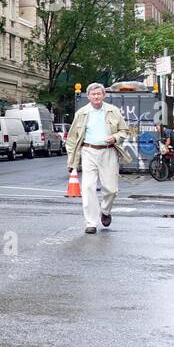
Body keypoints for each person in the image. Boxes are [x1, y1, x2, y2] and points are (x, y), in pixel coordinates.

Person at [65, 82, 129, 234]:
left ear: (104, 95)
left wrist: (115, 137)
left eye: (99, 94)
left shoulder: (113, 111)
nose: (96, 97)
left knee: (111, 189)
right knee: (88, 188)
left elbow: (124, 131)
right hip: (88, 151)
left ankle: (105, 211)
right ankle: (91, 223)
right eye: (93, 94)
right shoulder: (81, 113)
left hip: (108, 152)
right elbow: (72, 138)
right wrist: (71, 159)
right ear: (88, 97)